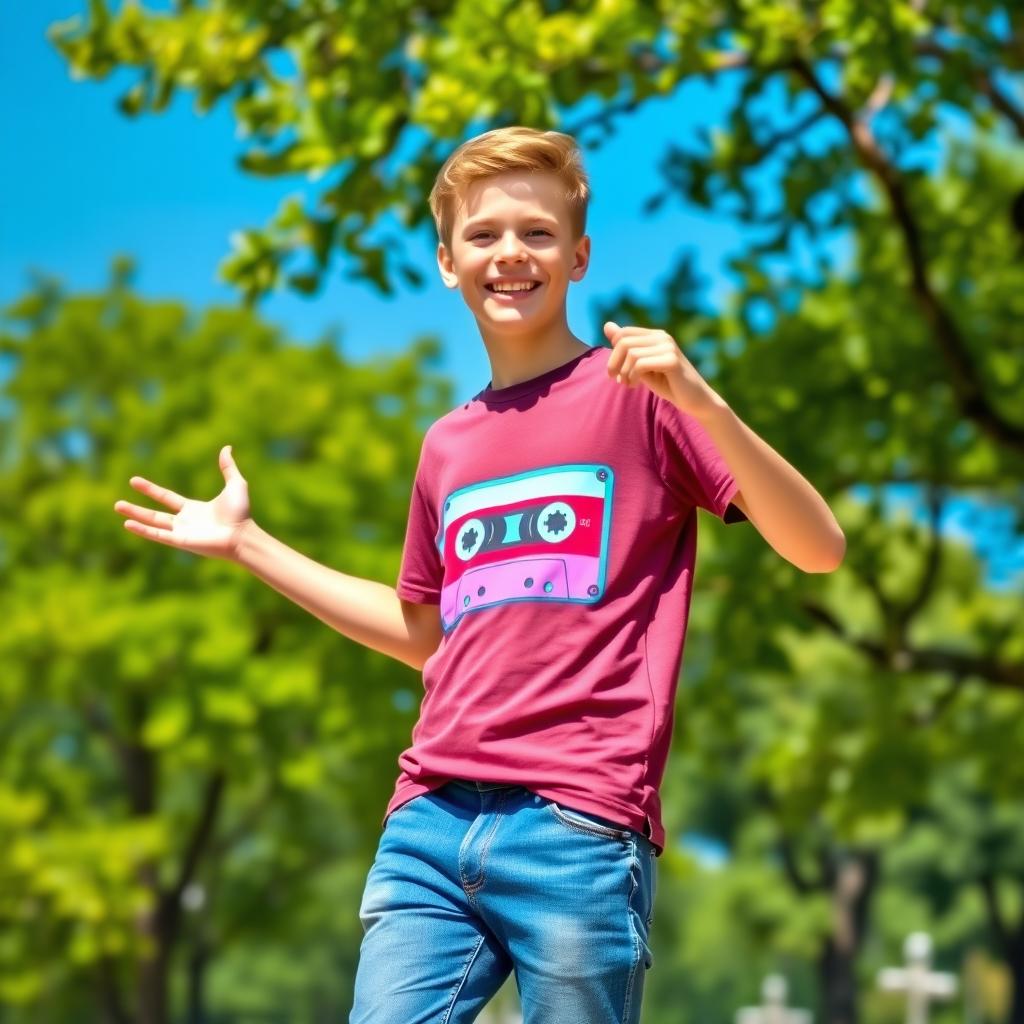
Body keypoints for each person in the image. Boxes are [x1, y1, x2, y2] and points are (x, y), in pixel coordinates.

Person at [113, 125, 846, 1024]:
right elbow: (426, 636)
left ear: (578, 257)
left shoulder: (642, 399)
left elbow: (819, 547)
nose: (511, 253)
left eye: (538, 233)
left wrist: (704, 399)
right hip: (429, 819)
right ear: (446, 262)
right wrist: (249, 545)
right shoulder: (447, 446)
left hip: (578, 825)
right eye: (484, 234)